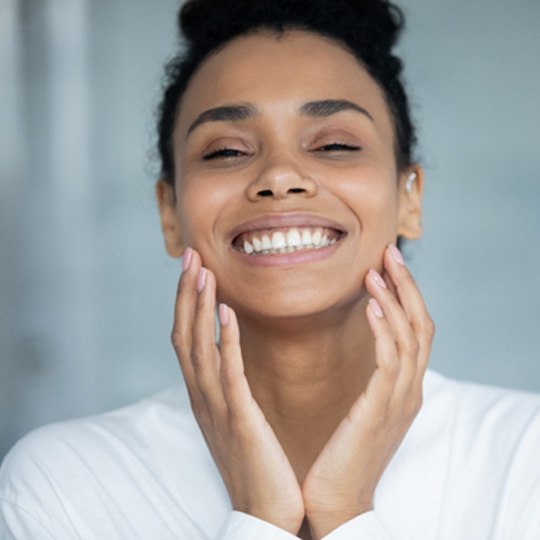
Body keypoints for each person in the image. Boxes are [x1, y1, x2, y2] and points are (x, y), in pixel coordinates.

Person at [1, 1, 539, 539]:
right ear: (170, 214)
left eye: (334, 144)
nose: (280, 176)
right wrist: (259, 517)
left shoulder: (524, 458)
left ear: (410, 198)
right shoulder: (66, 484)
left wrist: (345, 509)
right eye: (227, 152)